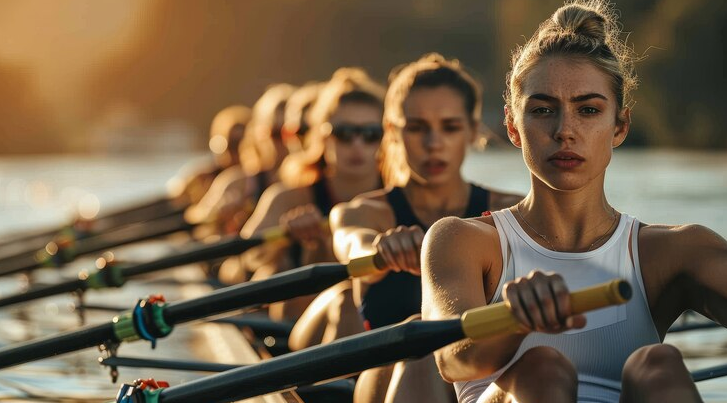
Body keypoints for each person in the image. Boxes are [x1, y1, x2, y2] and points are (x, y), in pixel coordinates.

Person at [421, 2, 727, 402]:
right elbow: (451, 360)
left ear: (619, 126)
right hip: (528, 390)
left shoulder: (674, 251)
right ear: (514, 127)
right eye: (543, 110)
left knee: (658, 364)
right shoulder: (462, 240)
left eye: (588, 110)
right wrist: (515, 322)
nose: (565, 130)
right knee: (542, 368)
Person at [326, 53, 521, 402]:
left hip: (481, 384)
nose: (434, 144)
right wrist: (381, 250)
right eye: (417, 128)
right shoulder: (363, 215)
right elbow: (353, 245)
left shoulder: (513, 211)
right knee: (423, 339)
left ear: (473, 130)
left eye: (449, 127)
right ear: (392, 132)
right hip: (384, 380)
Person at [234, 68, 386, 323]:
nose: (357, 145)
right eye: (345, 134)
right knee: (345, 297)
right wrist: (282, 238)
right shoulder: (288, 198)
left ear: (386, 138)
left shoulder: (403, 194)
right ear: (323, 136)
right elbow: (250, 257)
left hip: (377, 320)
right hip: (296, 324)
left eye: (370, 134)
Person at [184, 84, 297, 237]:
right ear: (259, 134)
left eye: (295, 132)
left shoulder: (315, 184)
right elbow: (195, 226)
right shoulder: (237, 182)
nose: (289, 143)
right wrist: (217, 216)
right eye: (277, 133)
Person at [166, 104, 251, 207]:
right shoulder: (206, 175)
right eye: (223, 145)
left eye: (236, 145)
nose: (229, 154)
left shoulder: (260, 178)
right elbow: (174, 194)